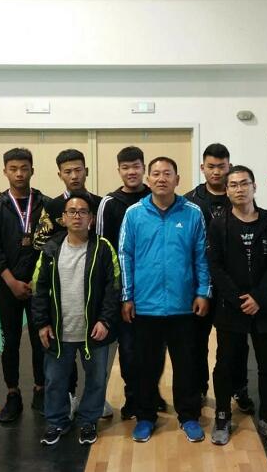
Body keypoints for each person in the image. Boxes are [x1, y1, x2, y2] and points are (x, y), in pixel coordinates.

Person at [119, 157, 211, 443]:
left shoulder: (193, 212)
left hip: (184, 305)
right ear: (148, 180)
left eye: (167, 174)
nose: (161, 178)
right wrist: (127, 296)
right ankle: (146, 416)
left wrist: (203, 291)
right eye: (156, 174)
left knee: (187, 365)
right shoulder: (134, 214)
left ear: (177, 179)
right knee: (146, 367)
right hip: (145, 305)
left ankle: (189, 416)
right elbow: (125, 256)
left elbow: (202, 255)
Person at [33, 193, 121, 446]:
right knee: (54, 380)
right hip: (59, 331)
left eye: (83, 212)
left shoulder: (103, 248)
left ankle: (88, 421)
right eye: (71, 211)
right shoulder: (50, 249)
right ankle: (56, 421)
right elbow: (39, 288)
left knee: (96, 380)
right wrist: (42, 323)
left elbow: (113, 287)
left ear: (91, 218)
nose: (77, 216)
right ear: (63, 218)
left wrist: (105, 321)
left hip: (93, 331)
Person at [208, 165, 267, 446]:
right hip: (231, 306)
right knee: (225, 364)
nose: (239, 189)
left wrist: (259, 297)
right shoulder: (219, 223)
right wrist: (237, 298)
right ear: (227, 191)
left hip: (264, 306)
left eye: (244, 183)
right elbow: (215, 265)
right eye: (233, 185)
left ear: (254, 187)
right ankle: (222, 415)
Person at [32, 148, 105, 416]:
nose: (74, 176)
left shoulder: (101, 203)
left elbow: (107, 240)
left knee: (94, 353)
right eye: (68, 171)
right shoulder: (52, 207)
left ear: (86, 171)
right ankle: (70, 396)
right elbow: (39, 242)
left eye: (78, 170)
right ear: (60, 174)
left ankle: (94, 402)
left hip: (92, 285)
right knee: (63, 350)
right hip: (62, 282)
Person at [96, 146, 166, 420]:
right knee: (128, 349)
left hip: (154, 290)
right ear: (119, 171)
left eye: (136, 166)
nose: (131, 172)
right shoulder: (109, 203)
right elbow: (102, 248)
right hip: (122, 290)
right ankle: (132, 396)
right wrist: (114, 290)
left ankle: (151, 393)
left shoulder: (156, 198)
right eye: (125, 167)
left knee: (155, 347)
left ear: (143, 168)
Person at [185, 143, 253, 413]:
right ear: (202, 167)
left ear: (229, 166)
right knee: (196, 342)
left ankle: (239, 387)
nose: (216, 172)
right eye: (211, 167)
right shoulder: (189, 201)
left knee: (237, 343)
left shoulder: (238, 196)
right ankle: (199, 387)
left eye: (221, 167)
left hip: (233, 286)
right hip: (199, 286)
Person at [0, 148, 51, 422]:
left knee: (41, 340)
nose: (19, 174)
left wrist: (38, 281)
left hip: (39, 288)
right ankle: (12, 394)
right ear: (5, 172)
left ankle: (40, 389)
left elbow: (51, 246)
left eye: (24, 168)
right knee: (10, 342)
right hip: (8, 286)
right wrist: (10, 281)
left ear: (32, 170)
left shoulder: (46, 204)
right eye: (13, 169)